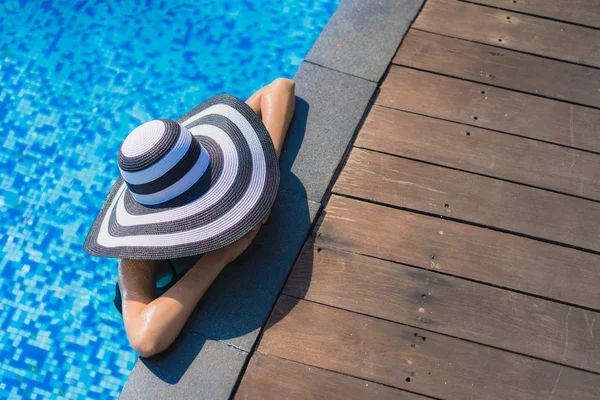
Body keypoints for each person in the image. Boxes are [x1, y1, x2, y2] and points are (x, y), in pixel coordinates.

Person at [84, 78, 296, 357]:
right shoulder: (137, 258)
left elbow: (280, 88)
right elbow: (145, 340)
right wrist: (219, 257)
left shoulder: (198, 165)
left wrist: (268, 167)